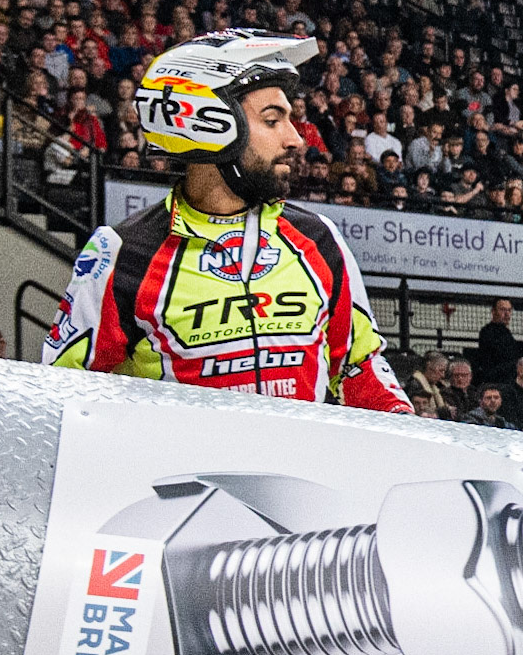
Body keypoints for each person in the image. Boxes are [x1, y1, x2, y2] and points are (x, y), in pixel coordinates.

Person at [43, 30, 410, 412]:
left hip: (299, 471)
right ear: (207, 125)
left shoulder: (318, 238)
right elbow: (66, 393)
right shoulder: (122, 253)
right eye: (273, 120)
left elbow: (358, 365)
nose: (296, 139)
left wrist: (409, 433)